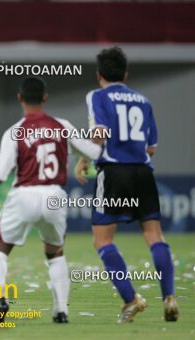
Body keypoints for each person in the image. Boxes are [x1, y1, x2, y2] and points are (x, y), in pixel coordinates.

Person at [0, 76, 102, 324]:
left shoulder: (15, 131)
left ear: (19, 98)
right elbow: (94, 152)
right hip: (55, 196)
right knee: (55, 253)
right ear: (45, 97)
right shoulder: (62, 125)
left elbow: (1, 172)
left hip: (25, 194)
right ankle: (61, 310)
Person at [76, 46, 178, 323]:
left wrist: (83, 157)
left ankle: (131, 300)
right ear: (126, 73)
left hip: (114, 172)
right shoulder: (143, 101)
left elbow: (98, 134)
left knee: (102, 240)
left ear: (99, 75)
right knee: (155, 236)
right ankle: (169, 296)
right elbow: (152, 148)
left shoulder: (97, 95)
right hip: (143, 172)